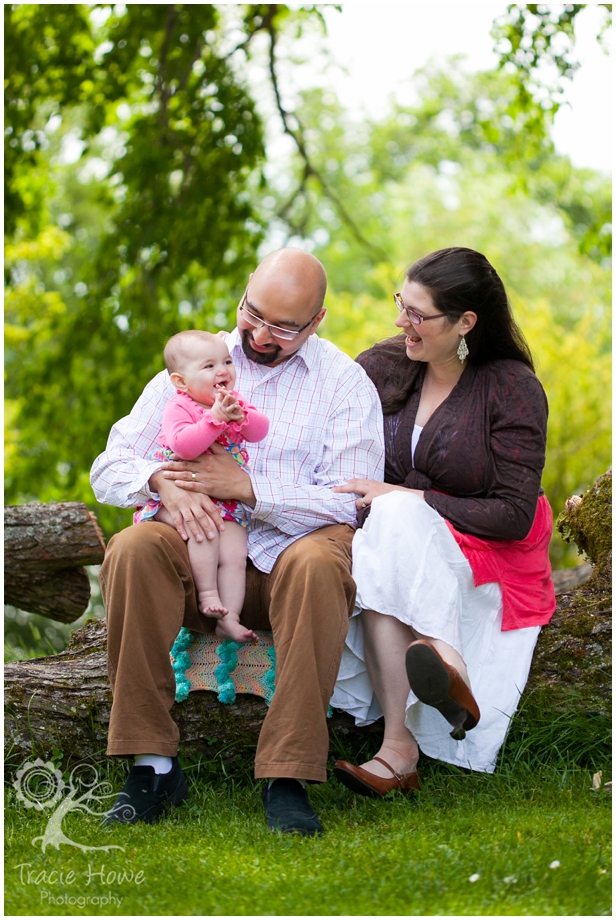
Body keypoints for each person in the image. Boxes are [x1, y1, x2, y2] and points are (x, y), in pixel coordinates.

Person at [90, 248, 384, 833]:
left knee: (320, 562)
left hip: (286, 563)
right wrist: (158, 481)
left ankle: (289, 775)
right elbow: (108, 467)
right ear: (245, 290)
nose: (260, 335)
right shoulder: (196, 362)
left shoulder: (344, 384)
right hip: (198, 560)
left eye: (283, 327)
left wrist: (251, 489)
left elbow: (353, 501)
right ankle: (151, 765)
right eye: (254, 314)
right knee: (132, 548)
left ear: (317, 321)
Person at [330, 247, 556, 797]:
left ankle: (399, 748)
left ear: (465, 323)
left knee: (397, 512)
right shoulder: (381, 366)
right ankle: (435, 671)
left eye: (417, 314)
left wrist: (405, 497)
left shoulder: (511, 388)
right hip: (390, 546)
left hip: (483, 553)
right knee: (390, 525)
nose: (399, 322)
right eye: (400, 304)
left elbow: (511, 513)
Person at [134, 330, 270, 644]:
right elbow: (184, 446)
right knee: (204, 533)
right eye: (208, 366)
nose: (222, 370)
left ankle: (230, 617)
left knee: (236, 553)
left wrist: (242, 416)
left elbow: (260, 431)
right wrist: (214, 420)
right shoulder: (180, 407)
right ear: (182, 382)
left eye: (226, 361)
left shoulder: (231, 402)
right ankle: (208, 593)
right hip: (187, 496)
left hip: (227, 501)